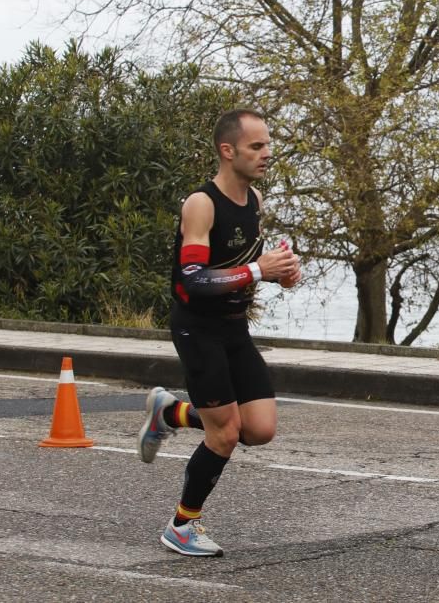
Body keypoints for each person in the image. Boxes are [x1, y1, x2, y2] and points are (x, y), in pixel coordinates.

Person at [137, 108, 301, 556]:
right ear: (228, 151)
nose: (267, 153)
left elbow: (248, 265)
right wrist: (256, 270)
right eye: (257, 146)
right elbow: (192, 278)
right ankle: (182, 525)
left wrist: (281, 273)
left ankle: (171, 414)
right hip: (198, 330)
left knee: (260, 429)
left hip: (234, 328)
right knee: (225, 433)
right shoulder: (201, 204)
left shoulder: (256, 201)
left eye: (268, 144)